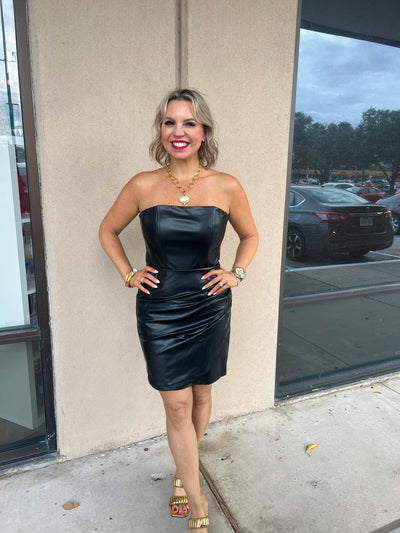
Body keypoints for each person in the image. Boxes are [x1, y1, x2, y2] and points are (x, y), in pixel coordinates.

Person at [99, 88, 258, 531]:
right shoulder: (142, 185)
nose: (178, 131)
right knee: (176, 404)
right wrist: (129, 273)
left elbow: (250, 236)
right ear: (161, 130)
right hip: (160, 308)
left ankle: (181, 474)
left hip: (209, 305)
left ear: (204, 131)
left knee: (202, 395)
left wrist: (236, 274)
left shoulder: (227, 186)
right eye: (170, 122)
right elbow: (108, 230)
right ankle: (198, 499)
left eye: (189, 122)